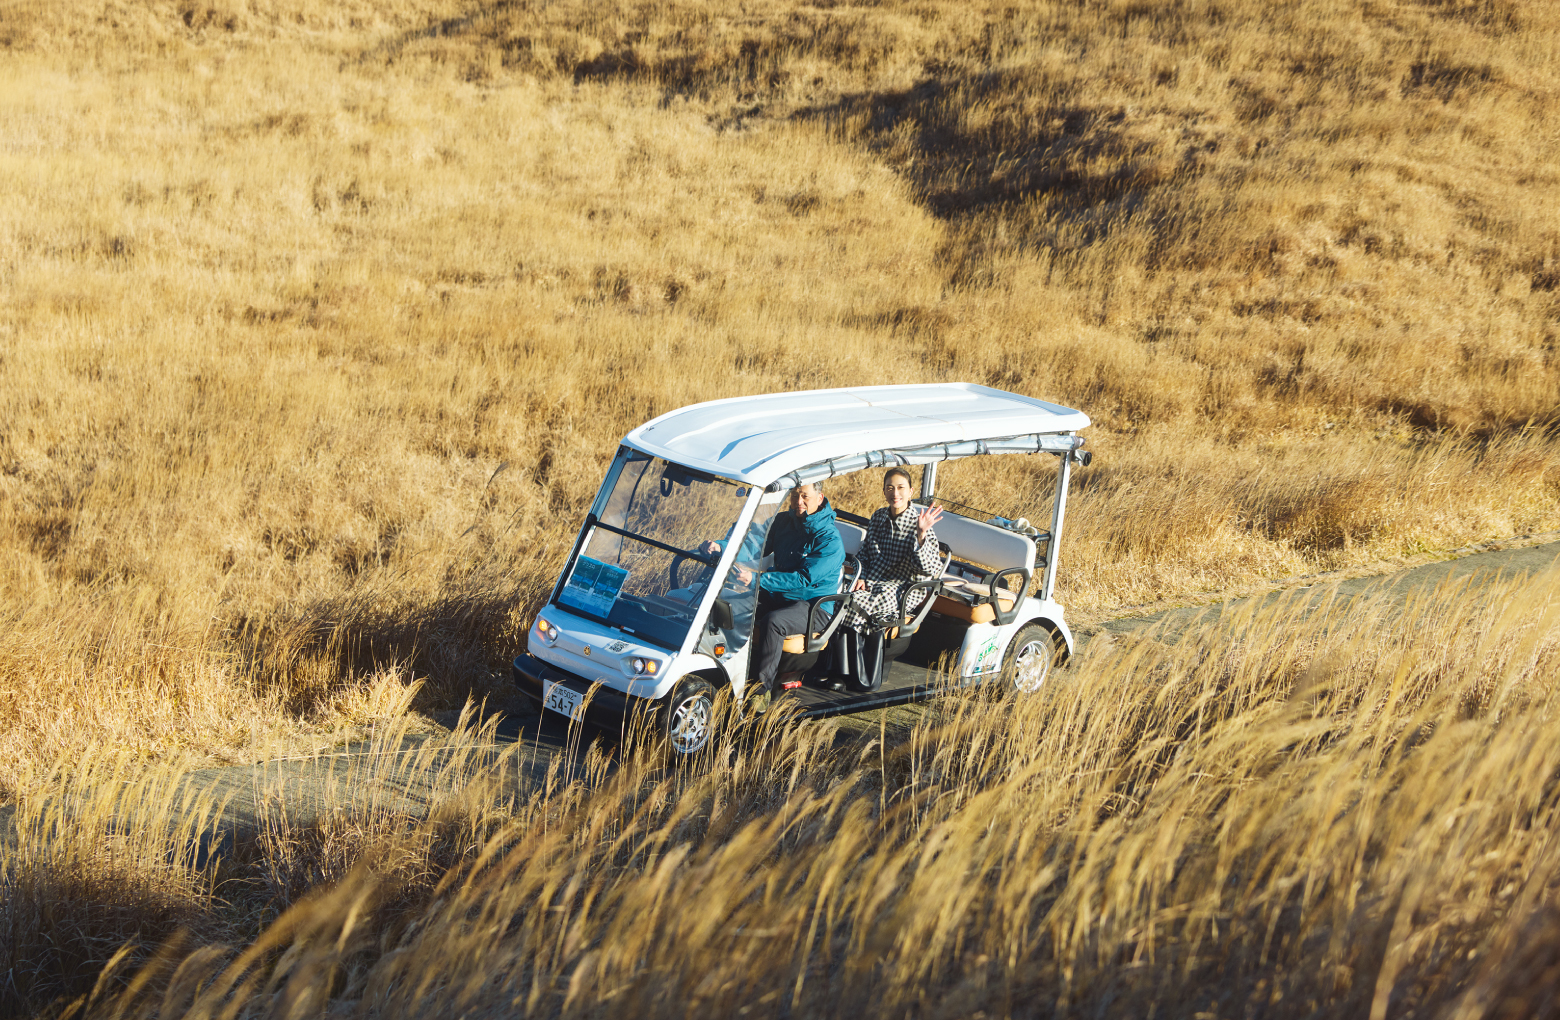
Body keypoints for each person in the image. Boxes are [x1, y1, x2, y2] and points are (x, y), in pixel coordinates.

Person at [701, 481, 845, 696]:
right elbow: (754, 544)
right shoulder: (783, 521)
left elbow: (803, 579)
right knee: (724, 607)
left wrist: (759, 580)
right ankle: (718, 671)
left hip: (814, 607)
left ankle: (760, 691)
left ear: (820, 497)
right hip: (778, 596)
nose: (799, 502)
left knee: (774, 622)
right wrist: (722, 547)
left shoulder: (829, 539)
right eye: (795, 495)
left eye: (805, 496)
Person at [839, 466, 944, 638]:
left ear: (910, 492)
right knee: (839, 596)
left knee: (856, 603)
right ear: (884, 492)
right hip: (873, 580)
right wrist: (862, 576)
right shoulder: (878, 517)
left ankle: (854, 658)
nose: (895, 493)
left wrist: (921, 534)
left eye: (901, 487)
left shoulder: (919, 525)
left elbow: (929, 570)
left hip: (903, 588)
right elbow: (865, 554)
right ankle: (840, 655)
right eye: (890, 488)